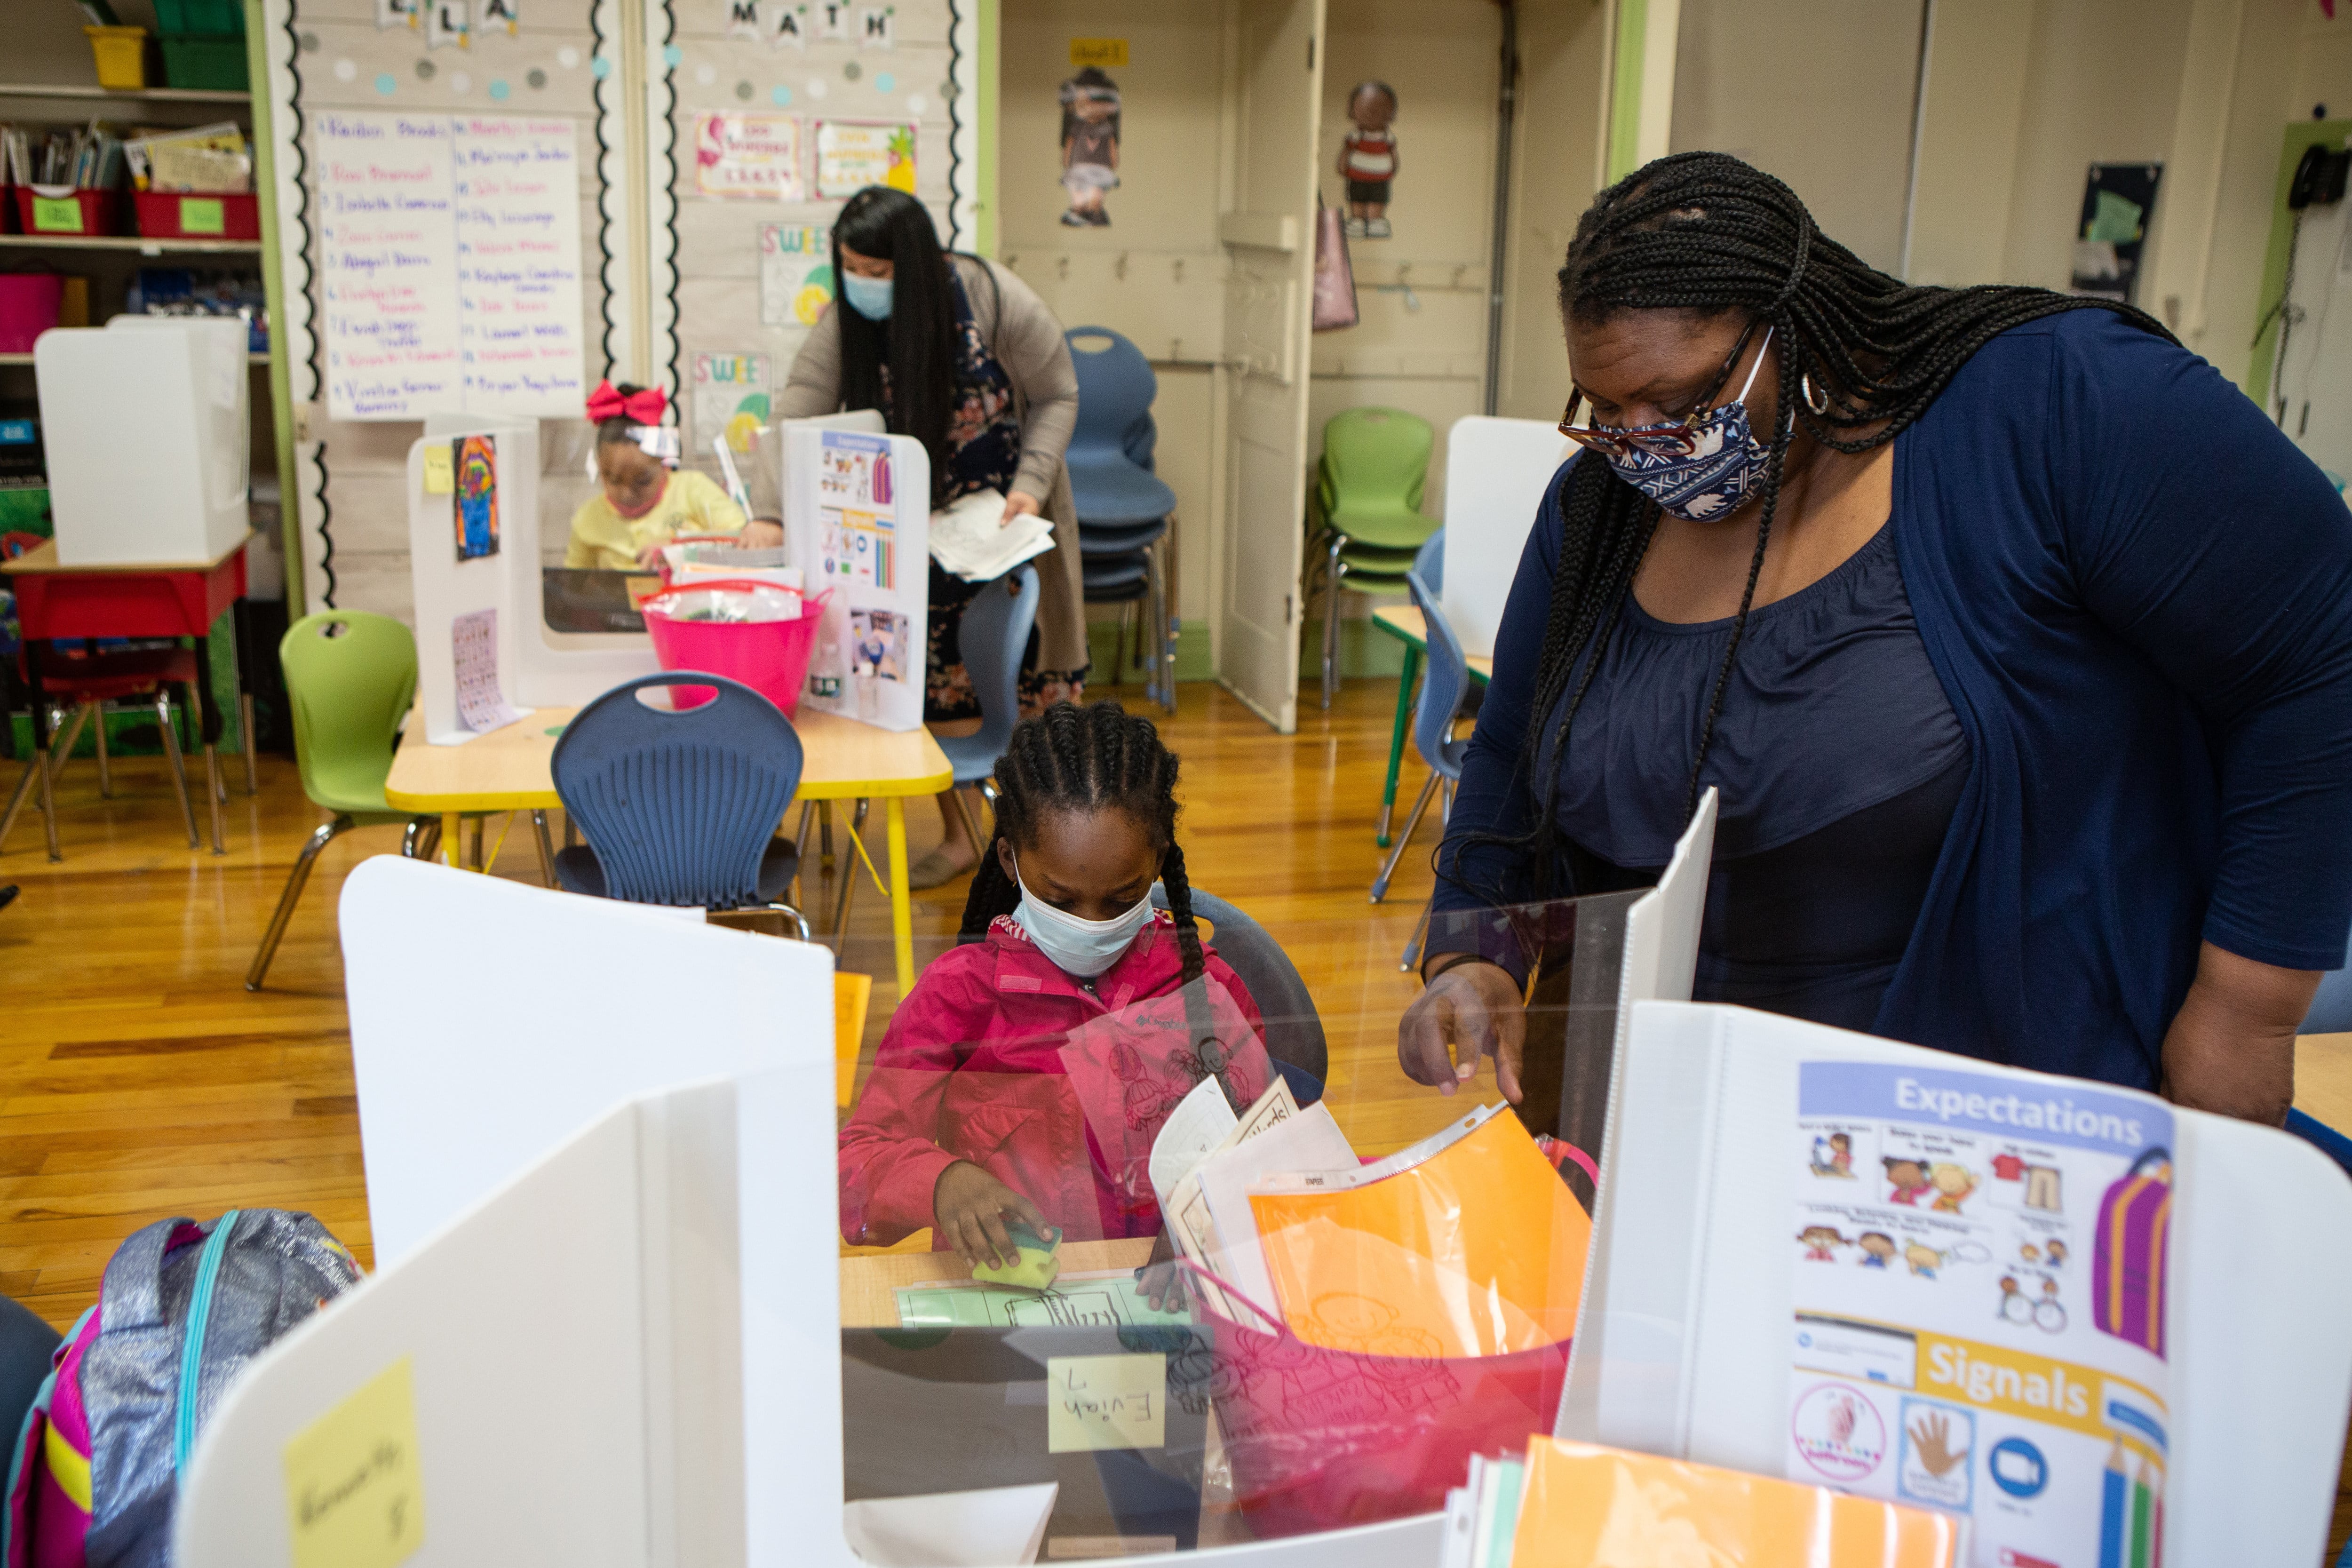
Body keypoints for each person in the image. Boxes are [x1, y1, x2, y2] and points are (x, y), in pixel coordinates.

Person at [1398, 152, 2352, 1126]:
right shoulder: (1600, 512)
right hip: (1683, 1114)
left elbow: (2319, 650)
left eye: (1681, 405)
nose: (1645, 446)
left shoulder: (2049, 407)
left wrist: (2247, 1016)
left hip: (1995, 1125)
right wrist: (1476, 955)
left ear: (1792, 324)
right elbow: (1512, 752)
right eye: (1606, 413)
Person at [837, 701, 1274, 1272]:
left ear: (1157, 865)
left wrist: (1209, 1225)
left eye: (1121, 899)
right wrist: (941, 1183)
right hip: (1009, 1302)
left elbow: (1263, 1149)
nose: (1091, 925)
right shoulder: (959, 996)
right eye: (1062, 900)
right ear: (1010, 861)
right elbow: (859, 1161)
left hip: (1163, 1296)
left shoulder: (1203, 991)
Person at [774, 187, 1090, 889]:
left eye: (879, 272)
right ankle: (958, 836)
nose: (863, 284)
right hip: (911, 547)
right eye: (852, 267)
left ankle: (1035, 855)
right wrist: (772, 510)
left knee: (1022, 697)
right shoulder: (847, 321)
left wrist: (1032, 483)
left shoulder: (992, 299)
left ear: (915, 266)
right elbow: (796, 412)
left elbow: (1060, 392)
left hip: (1004, 530)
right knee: (911, 692)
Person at [564, 382, 780, 570]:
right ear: (600, 469)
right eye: (613, 480)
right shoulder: (588, 519)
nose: (626, 493)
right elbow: (574, 588)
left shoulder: (692, 489)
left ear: (665, 464)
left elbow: (743, 538)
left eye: (642, 481)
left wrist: (681, 547)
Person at [1338, 80, 1399, 239]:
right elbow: (1347, 151)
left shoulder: (1388, 137)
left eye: (1380, 108)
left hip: (1381, 177)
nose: (1372, 112)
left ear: (1391, 113)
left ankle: (1375, 222)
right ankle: (1357, 221)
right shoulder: (1356, 136)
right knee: (1357, 196)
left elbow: (1393, 154)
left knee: (1379, 198)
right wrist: (1343, 165)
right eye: (1366, 107)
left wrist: (1394, 168)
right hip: (1358, 175)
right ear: (1353, 111)